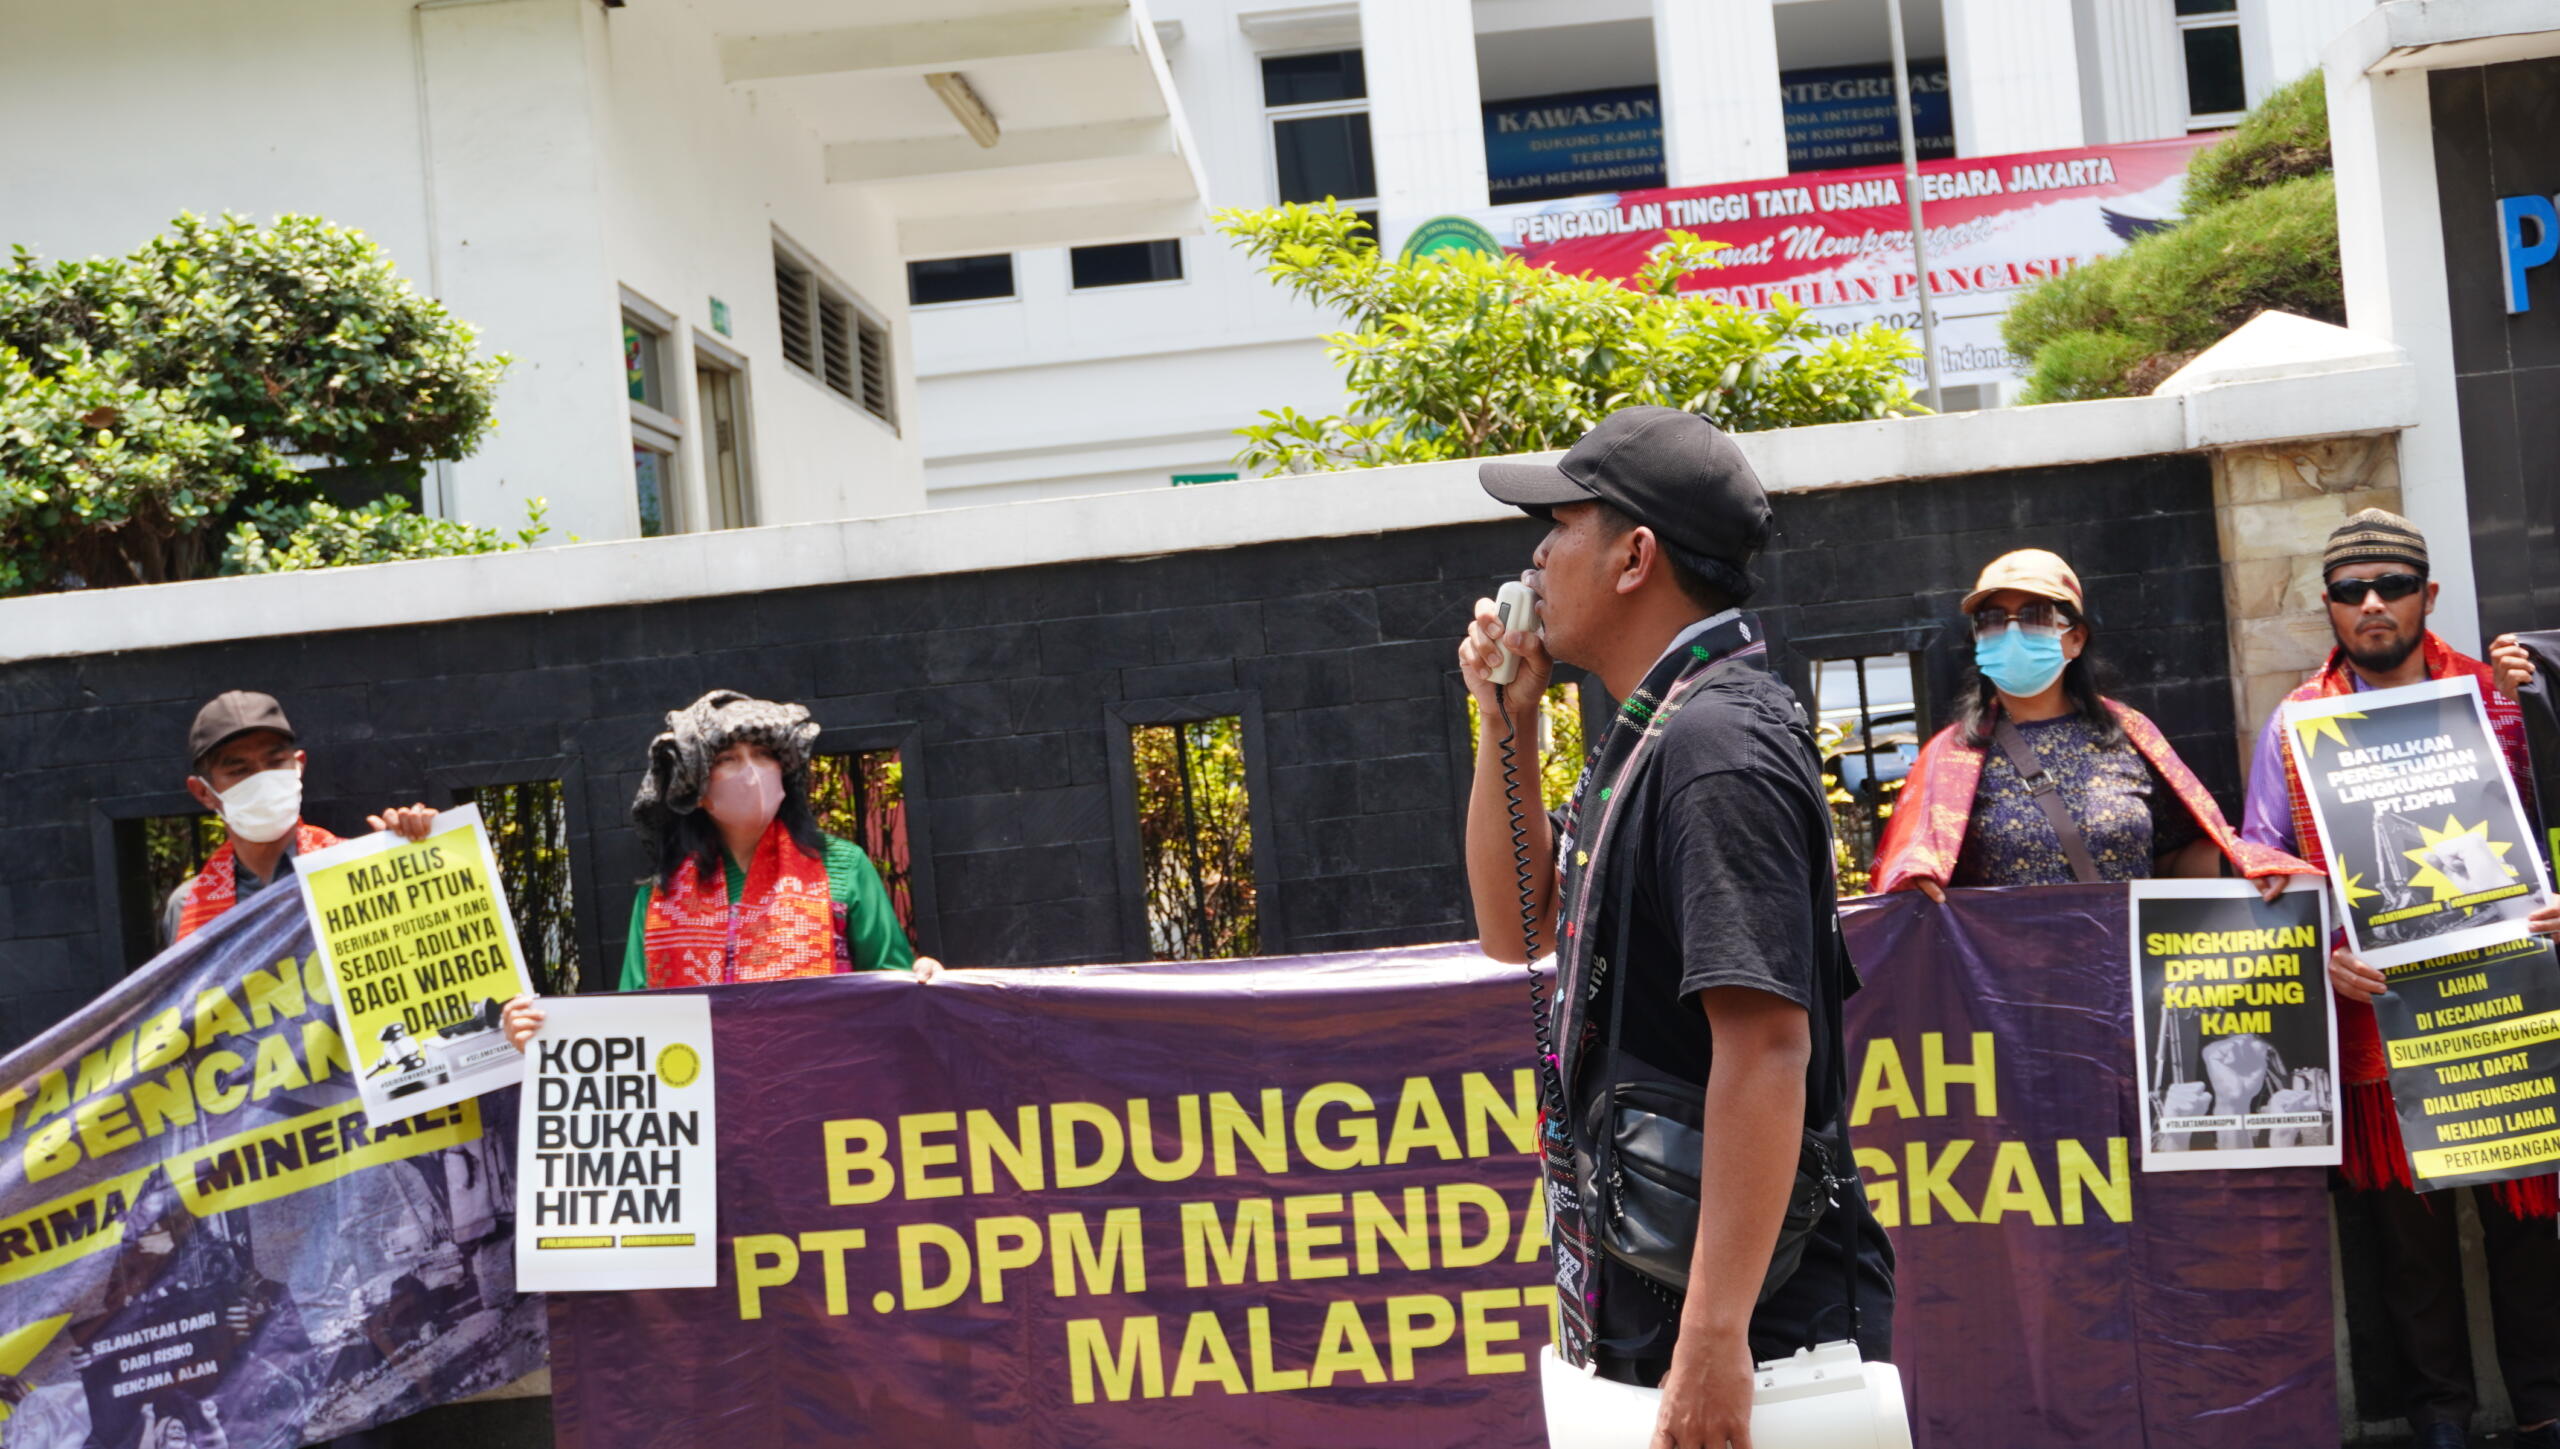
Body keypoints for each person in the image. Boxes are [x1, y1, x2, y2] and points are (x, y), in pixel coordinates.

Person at [1459, 406, 1891, 1449]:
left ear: (1633, 557)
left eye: (1558, 523)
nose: (1535, 553)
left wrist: (1712, 1338)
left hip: (1757, 1334)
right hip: (1669, 1296)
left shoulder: (1714, 750)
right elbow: (1514, 930)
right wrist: (1505, 726)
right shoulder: (1656, 730)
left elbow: (1767, 1048)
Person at [2240, 509, 2560, 1449]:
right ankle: (2439, 1417)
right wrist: (2314, 950)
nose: (2371, 605)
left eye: (2390, 586)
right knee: (2409, 1240)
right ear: (2330, 608)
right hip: (2380, 1013)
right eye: (2349, 591)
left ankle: (2546, 1404)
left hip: (2513, 1010)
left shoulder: (2506, 698)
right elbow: (2263, 860)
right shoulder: (2297, 723)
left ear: (2429, 593)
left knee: (2528, 1221)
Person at [1872, 550, 2313, 899]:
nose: (2010, 633)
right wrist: (1915, 885)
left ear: (2076, 637)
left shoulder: (2128, 736)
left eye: (2034, 615)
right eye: (1991, 620)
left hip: (2128, 986)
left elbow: (2171, 859)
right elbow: (1910, 877)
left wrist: (2242, 867)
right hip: (2013, 998)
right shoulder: (1951, 757)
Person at [503, 691, 936, 1046]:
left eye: (764, 754)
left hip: (824, 1098)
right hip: (705, 1116)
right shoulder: (662, 894)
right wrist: (539, 1036)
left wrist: (927, 981)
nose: (751, 771)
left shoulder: (843, 866)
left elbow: (891, 987)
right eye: (728, 759)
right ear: (697, 789)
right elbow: (630, 1023)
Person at [163, 692, 437, 946]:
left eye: (275, 762)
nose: (262, 780)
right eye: (240, 770)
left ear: (298, 766)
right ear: (203, 793)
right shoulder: (187, 906)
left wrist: (420, 858)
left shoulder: (358, 871)